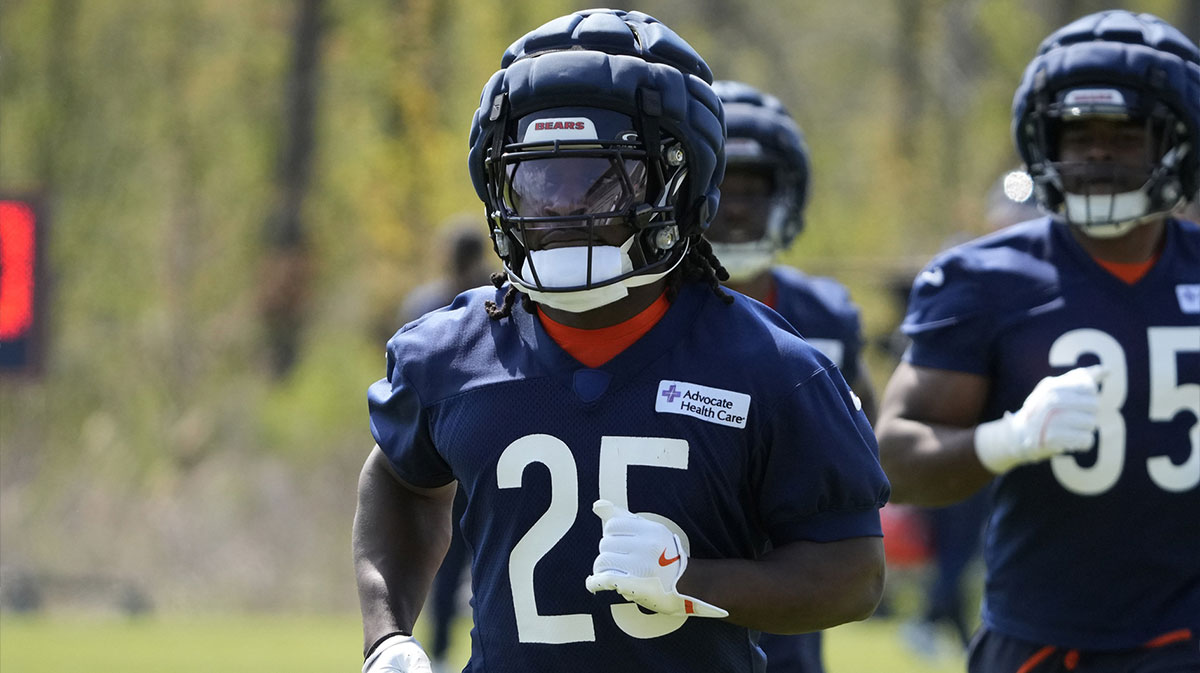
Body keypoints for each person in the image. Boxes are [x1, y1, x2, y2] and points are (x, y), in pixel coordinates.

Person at [353, 9, 889, 673]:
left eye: (601, 179)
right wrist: (389, 635)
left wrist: (692, 581)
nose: (562, 209)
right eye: (538, 180)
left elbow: (853, 569)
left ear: (681, 184)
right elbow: (399, 479)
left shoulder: (770, 365)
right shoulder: (448, 352)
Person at [874, 10, 1200, 672]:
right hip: (1046, 638)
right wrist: (1010, 438)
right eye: (1077, 133)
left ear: (1175, 139)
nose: (1099, 152)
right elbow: (893, 462)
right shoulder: (985, 277)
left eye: (1126, 132)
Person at [704, 80, 877, 673]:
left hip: (793, 589)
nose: (739, 207)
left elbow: (864, 457)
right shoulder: (651, 309)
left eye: (756, 189)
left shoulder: (827, 315)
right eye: (722, 187)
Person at [395, 217, 494, 672]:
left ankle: (457, 651)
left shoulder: (499, 302)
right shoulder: (433, 307)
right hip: (457, 446)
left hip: (473, 444)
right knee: (450, 560)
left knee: (478, 559)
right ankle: (435, 654)